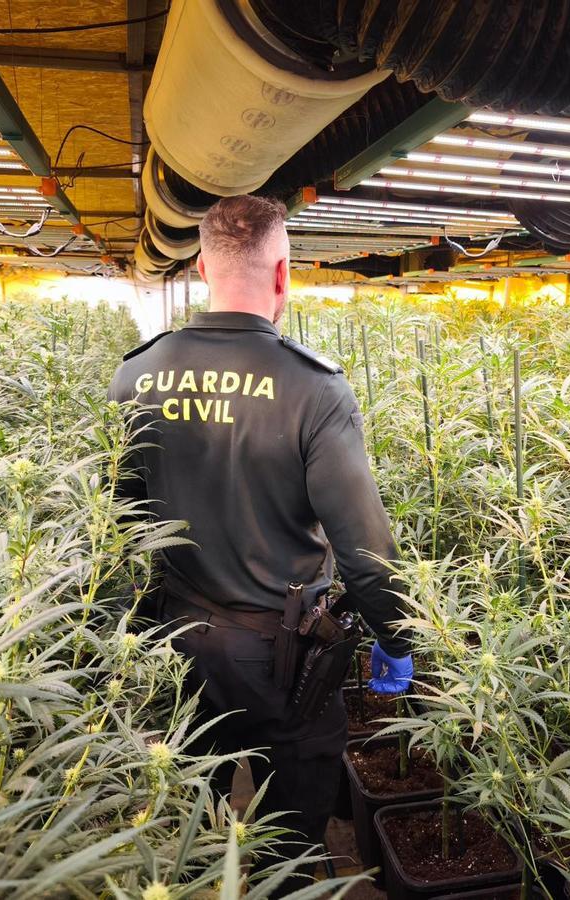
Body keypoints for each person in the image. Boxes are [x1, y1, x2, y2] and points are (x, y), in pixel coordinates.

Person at [107, 194, 413, 890]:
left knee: (187, 815)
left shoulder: (139, 374)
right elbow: (364, 548)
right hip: (284, 661)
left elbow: (119, 526)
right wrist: (397, 638)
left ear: (203, 268)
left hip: (174, 644)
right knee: (292, 842)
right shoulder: (314, 389)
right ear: (283, 275)